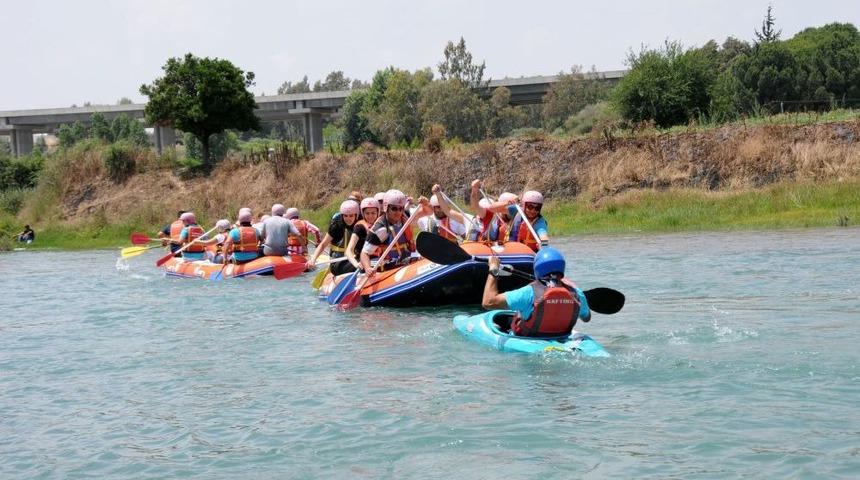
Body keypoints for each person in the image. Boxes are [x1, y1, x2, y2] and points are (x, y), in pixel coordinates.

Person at [481, 247, 590, 337]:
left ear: (537, 268)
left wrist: (494, 270)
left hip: (531, 338)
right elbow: (586, 318)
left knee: (510, 318)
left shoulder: (529, 293)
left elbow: (488, 302)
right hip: (562, 338)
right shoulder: (576, 292)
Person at [360, 189, 430, 276]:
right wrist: (367, 268)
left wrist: (426, 204)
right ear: (386, 207)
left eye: (401, 209)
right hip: (390, 265)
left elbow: (428, 211)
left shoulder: (405, 216)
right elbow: (365, 253)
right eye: (394, 209)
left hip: (407, 258)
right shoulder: (380, 229)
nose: (398, 212)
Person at [308, 200, 361, 275]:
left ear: (356, 215)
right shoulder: (337, 225)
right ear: (342, 215)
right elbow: (323, 245)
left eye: (351, 216)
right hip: (338, 262)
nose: (348, 219)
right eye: (345, 216)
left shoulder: (361, 223)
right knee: (360, 266)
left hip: (355, 259)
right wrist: (313, 260)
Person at [469, 179, 518, 244]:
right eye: (510, 206)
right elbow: (475, 206)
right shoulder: (490, 214)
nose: (512, 210)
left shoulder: (518, 217)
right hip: (490, 249)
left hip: (510, 250)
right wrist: (474, 190)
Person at [344, 197, 381, 272]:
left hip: (380, 260)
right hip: (365, 263)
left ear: (378, 213)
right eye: (367, 213)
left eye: (373, 213)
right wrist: (356, 264)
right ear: (363, 214)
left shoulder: (382, 225)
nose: (370, 216)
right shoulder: (359, 228)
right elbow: (348, 251)